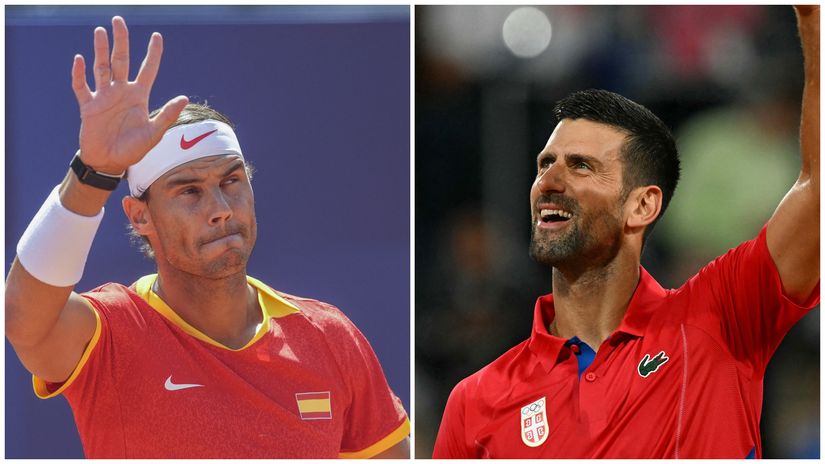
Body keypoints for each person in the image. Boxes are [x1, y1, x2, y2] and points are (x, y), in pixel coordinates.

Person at [5, 16, 410, 459]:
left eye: (232, 181)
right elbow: (23, 321)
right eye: (190, 191)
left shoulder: (330, 337)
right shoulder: (111, 332)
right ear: (140, 217)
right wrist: (92, 173)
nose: (220, 208)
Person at [432, 6, 818, 459]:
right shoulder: (476, 401)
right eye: (545, 164)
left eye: (581, 166)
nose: (550, 182)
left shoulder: (720, 318)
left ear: (642, 205)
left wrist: (813, 21)